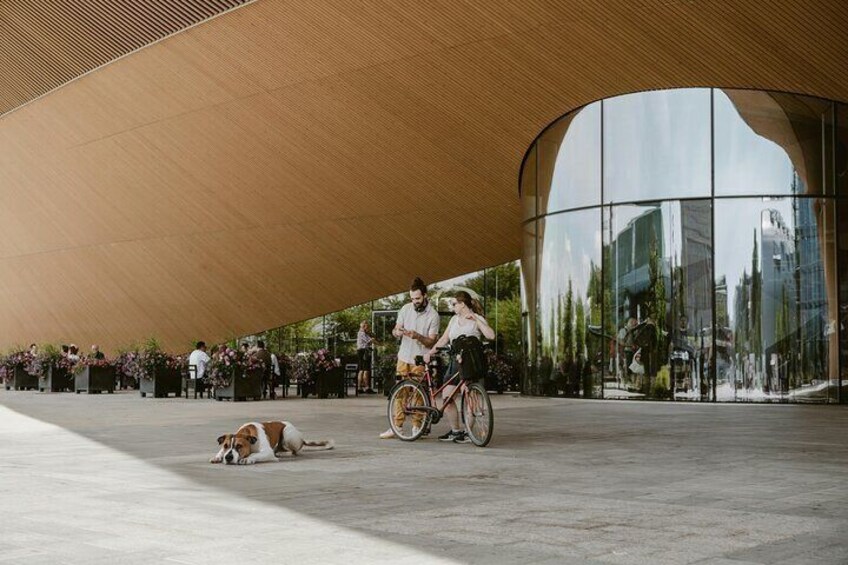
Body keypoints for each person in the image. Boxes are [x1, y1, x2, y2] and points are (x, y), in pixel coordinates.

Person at [425, 291, 494, 443]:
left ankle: (469, 433)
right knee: (447, 398)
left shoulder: (477, 319)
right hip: (455, 362)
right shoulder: (454, 320)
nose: (452, 307)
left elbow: (491, 335)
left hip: (470, 362)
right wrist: (430, 352)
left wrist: (476, 319)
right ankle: (456, 431)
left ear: (462, 304)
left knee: (470, 398)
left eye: (454, 304)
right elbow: (444, 339)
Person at [380, 277, 440, 439]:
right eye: (412, 298)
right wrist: (397, 332)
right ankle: (396, 426)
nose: (415, 302)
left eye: (418, 298)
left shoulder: (433, 315)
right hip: (403, 357)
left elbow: (432, 341)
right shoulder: (405, 309)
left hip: (419, 360)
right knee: (400, 393)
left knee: (418, 395)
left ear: (425, 296)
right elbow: (395, 330)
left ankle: (416, 427)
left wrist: (417, 336)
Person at [356, 320, 375, 394]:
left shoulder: (361, 333)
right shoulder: (362, 333)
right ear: (364, 326)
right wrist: (379, 343)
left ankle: (359, 387)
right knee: (366, 369)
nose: (368, 328)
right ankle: (367, 387)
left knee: (361, 369)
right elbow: (370, 341)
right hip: (364, 351)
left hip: (360, 351)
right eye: (367, 326)